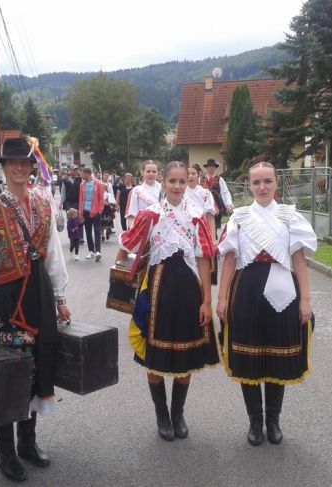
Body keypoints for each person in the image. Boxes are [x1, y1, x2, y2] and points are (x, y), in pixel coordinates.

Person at [0, 137, 72, 483]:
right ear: (3, 167)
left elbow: (53, 254)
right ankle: (6, 454)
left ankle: (27, 443)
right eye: (12, 163)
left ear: (30, 166)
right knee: (8, 374)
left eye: (24, 163)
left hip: (38, 294)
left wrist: (60, 297)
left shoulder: (43, 203)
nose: (18, 168)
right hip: (6, 299)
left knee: (36, 365)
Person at [115, 161, 219, 442]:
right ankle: (161, 414)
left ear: (188, 183)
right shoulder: (151, 214)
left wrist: (207, 301)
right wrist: (118, 271)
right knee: (154, 356)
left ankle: (178, 413)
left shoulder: (196, 216)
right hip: (157, 290)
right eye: (171, 181)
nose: (176, 186)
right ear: (163, 182)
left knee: (186, 355)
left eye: (181, 181)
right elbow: (128, 244)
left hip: (189, 292)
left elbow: (203, 259)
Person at [216, 160, 317, 447]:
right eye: (256, 182)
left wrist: (305, 300)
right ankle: (254, 422)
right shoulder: (239, 217)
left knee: (277, 357)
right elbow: (230, 259)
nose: (262, 187)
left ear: (276, 183)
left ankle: (273, 420)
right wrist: (222, 298)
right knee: (249, 358)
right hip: (246, 291)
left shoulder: (290, 217)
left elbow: (299, 261)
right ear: (249, 185)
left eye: (267, 181)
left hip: (284, 294)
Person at [78, 167, 105, 261]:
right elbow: (81, 199)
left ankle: (98, 251)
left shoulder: (98, 183)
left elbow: (101, 198)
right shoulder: (82, 185)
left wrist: (100, 210)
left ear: (87, 174)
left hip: (96, 210)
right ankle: (91, 251)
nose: (81, 175)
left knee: (97, 231)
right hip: (85, 210)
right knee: (88, 231)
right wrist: (80, 212)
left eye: (82, 173)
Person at [125, 160, 161, 229]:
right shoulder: (137, 191)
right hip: (142, 229)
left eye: (154, 172)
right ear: (142, 172)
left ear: (158, 173)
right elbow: (132, 215)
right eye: (148, 171)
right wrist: (133, 232)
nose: (151, 174)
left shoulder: (164, 190)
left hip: (161, 230)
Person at [202, 159, 234, 232]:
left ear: (215, 168)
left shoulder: (220, 179)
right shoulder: (201, 179)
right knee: (203, 227)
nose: (211, 168)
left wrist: (229, 205)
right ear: (206, 168)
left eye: (213, 166)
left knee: (214, 228)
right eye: (209, 166)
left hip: (215, 206)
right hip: (203, 206)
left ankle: (213, 242)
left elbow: (225, 193)